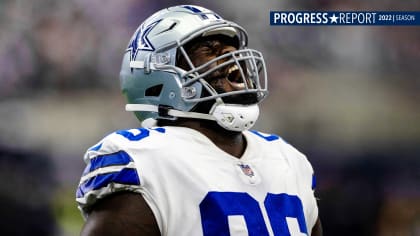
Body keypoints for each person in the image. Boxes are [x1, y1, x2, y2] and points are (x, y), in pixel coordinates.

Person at [76, 5, 322, 236]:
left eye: (231, 51)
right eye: (210, 51)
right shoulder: (144, 160)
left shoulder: (287, 159)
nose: (231, 60)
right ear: (160, 75)